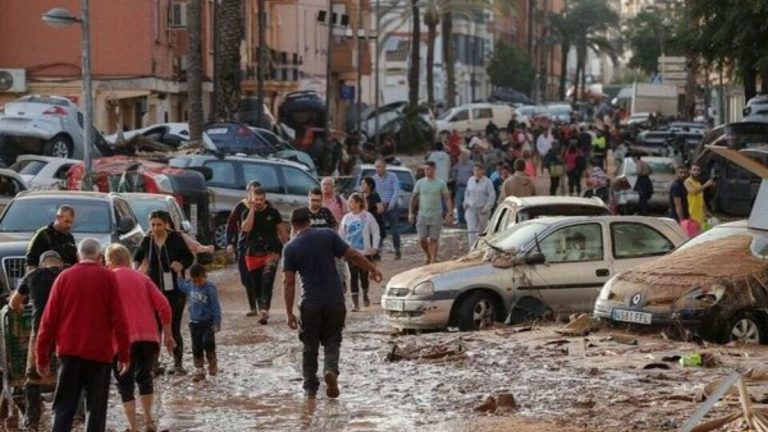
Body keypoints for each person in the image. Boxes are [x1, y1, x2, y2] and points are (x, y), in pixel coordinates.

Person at [282, 208, 383, 399]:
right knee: (332, 341)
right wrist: (372, 269)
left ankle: (310, 388)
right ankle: (330, 370)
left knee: (309, 347)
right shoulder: (328, 235)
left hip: (310, 303)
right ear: (309, 221)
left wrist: (289, 313)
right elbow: (352, 255)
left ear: (293, 225)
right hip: (335, 301)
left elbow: (288, 282)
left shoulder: (291, 247)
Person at [35, 238, 131, 432]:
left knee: (64, 407)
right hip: (100, 354)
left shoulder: (64, 278)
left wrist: (41, 355)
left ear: (79, 255)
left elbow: (48, 320)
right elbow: (120, 320)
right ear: (99, 256)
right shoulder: (108, 278)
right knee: (96, 410)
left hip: (69, 353)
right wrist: (124, 354)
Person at [105, 244, 175, 432]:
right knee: (145, 377)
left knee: (124, 382)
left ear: (108, 262)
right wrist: (168, 333)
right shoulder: (143, 278)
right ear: (128, 261)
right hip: (148, 338)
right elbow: (164, 305)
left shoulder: (107, 280)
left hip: (120, 341)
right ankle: (149, 421)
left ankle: (133, 427)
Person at [133, 210, 195, 375]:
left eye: (159, 224)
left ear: (166, 224)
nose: (156, 228)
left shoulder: (176, 238)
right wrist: (137, 270)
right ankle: (154, 364)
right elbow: (136, 257)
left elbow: (189, 257)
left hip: (175, 289)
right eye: (153, 225)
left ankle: (178, 363)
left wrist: (181, 264)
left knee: (174, 326)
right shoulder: (147, 240)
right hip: (153, 288)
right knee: (155, 327)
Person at [10, 250, 63, 430]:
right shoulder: (67, 274)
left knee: (33, 376)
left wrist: (19, 309)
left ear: (42, 264)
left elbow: (14, 303)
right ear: (59, 263)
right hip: (65, 331)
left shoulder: (32, 275)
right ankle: (72, 415)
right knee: (68, 372)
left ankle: (32, 420)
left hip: (40, 329)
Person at [240, 186, 289, 325]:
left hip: (271, 252)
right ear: (251, 199)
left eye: (261, 199)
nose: (259, 202)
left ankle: (264, 310)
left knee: (267, 280)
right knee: (256, 285)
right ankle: (261, 306)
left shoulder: (273, 213)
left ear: (265, 199)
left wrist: (288, 248)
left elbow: (282, 232)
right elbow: (246, 228)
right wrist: (252, 210)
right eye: (256, 199)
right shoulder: (246, 213)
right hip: (253, 253)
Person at [225, 180, 265, 317]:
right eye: (252, 192)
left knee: (259, 277)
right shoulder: (241, 207)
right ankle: (253, 306)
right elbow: (230, 225)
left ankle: (260, 306)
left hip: (261, 247)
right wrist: (229, 243)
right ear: (248, 193)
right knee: (246, 278)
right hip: (244, 246)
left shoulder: (266, 207)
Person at [178, 264, 222, 382]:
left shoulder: (210, 288)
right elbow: (181, 286)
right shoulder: (190, 286)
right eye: (195, 281)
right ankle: (199, 369)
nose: (197, 283)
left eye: (200, 280)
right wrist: (178, 273)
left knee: (208, 343)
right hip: (194, 323)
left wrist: (217, 322)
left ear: (205, 276)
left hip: (208, 323)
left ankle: (212, 362)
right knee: (196, 346)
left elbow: (215, 306)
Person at [338, 193, 380, 311]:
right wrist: (342, 250)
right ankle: (355, 303)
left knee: (364, 276)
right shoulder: (346, 218)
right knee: (353, 277)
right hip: (351, 253)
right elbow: (341, 235)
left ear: (358, 203)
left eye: (351, 201)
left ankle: (365, 294)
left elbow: (376, 231)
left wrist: (375, 247)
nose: (348, 204)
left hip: (365, 252)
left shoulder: (367, 217)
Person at [409, 161, 453, 265]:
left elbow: (447, 198)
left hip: (436, 214)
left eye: (428, 169)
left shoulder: (440, 183)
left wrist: (450, 213)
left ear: (434, 169)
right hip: (422, 214)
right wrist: (410, 212)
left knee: (434, 238)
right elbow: (413, 198)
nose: (426, 171)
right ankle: (428, 255)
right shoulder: (420, 183)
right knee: (422, 239)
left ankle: (433, 259)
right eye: (425, 169)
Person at [26, 205, 78, 271]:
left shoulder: (69, 237)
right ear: (58, 218)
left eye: (71, 222)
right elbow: (30, 260)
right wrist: (31, 279)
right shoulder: (43, 234)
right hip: (46, 276)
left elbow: (74, 261)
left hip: (65, 276)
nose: (69, 225)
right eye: (66, 221)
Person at [371, 158, 401, 259]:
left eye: (379, 167)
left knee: (394, 229)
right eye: (376, 167)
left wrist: (391, 204)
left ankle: (397, 250)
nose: (377, 169)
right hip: (380, 206)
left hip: (391, 206)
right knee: (379, 229)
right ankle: (378, 251)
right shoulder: (374, 179)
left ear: (384, 167)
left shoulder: (392, 176)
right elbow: (372, 193)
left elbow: (396, 191)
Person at [463, 163, 496, 247]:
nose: (476, 172)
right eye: (474, 170)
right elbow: (467, 193)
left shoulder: (487, 182)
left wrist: (487, 207)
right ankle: (472, 247)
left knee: (481, 229)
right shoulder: (470, 180)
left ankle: (480, 246)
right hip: (471, 208)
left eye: (478, 170)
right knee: (471, 229)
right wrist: (465, 202)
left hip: (482, 209)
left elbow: (492, 196)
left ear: (482, 171)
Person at [684, 163, 715, 227]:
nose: (696, 172)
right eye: (694, 170)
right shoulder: (688, 181)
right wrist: (706, 185)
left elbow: (701, 199)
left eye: (698, 170)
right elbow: (693, 192)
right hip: (692, 212)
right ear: (690, 171)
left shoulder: (698, 183)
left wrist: (706, 211)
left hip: (700, 214)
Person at [360, 177, 385, 247]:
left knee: (375, 246)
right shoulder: (360, 196)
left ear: (370, 185)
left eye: (364, 184)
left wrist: (370, 215)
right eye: (361, 184)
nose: (362, 185)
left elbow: (381, 209)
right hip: (363, 225)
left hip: (374, 224)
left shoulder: (374, 195)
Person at [452, 151, 474, 226]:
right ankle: (461, 221)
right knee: (459, 204)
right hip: (460, 187)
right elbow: (454, 170)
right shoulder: (459, 164)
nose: (462, 156)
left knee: (468, 204)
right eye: (461, 155)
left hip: (468, 187)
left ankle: (468, 220)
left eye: (464, 155)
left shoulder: (471, 164)